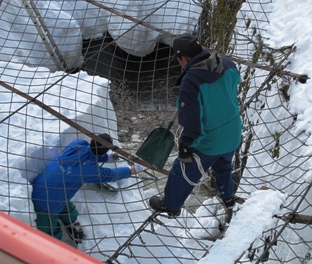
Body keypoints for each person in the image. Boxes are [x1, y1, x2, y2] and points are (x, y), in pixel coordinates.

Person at [149, 34, 242, 218]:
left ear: (184, 58)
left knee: (182, 169)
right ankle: (228, 198)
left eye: (178, 60)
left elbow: (191, 118)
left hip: (211, 139)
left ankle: (170, 205)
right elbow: (231, 86)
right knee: (223, 166)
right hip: (233, 132)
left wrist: (186, 144)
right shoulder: (228, 64)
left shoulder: (191, 80)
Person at [31, 133, 145, 244]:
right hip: (44, 203)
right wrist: (133, 170)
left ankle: (71, 222)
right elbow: (110, 174)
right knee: (49, 230)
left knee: (67, 208)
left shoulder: (77, 144)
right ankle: (54, 247)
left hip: (43, 184)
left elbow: (88, 154)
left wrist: (106, 158)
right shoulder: (88, 171)